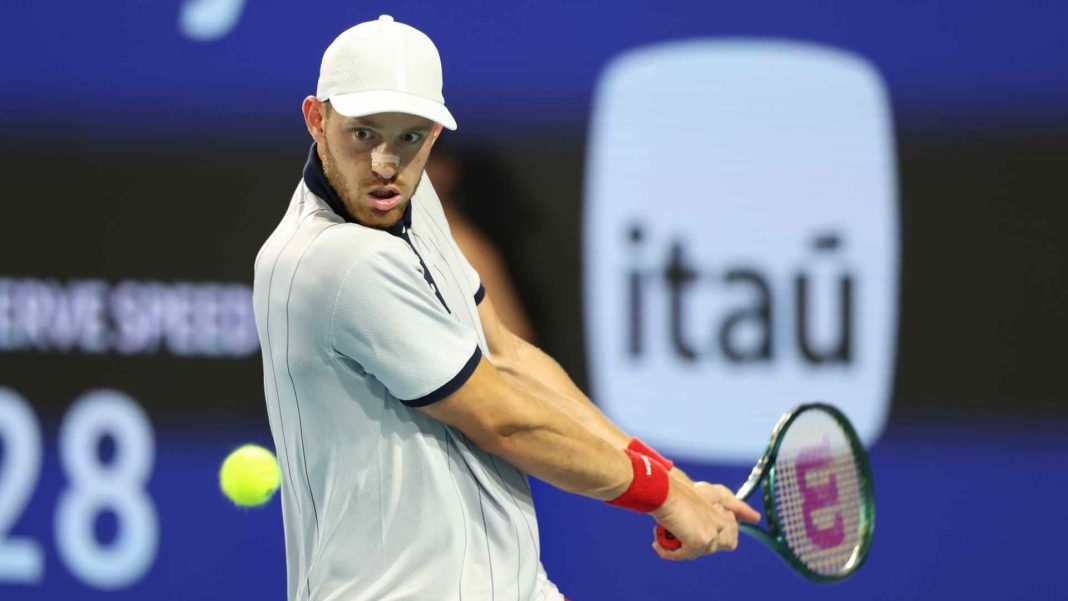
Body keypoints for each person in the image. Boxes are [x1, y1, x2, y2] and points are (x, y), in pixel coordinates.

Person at [253, 15, 759, 601]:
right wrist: (663, 497)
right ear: (317, 119)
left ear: (435, 136)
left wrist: (669, 480)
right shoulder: (335, 263)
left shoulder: (415, 202)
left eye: (410, 137)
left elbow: (506, 353)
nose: (387, 165)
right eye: (363, 134)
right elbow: (504, 420)